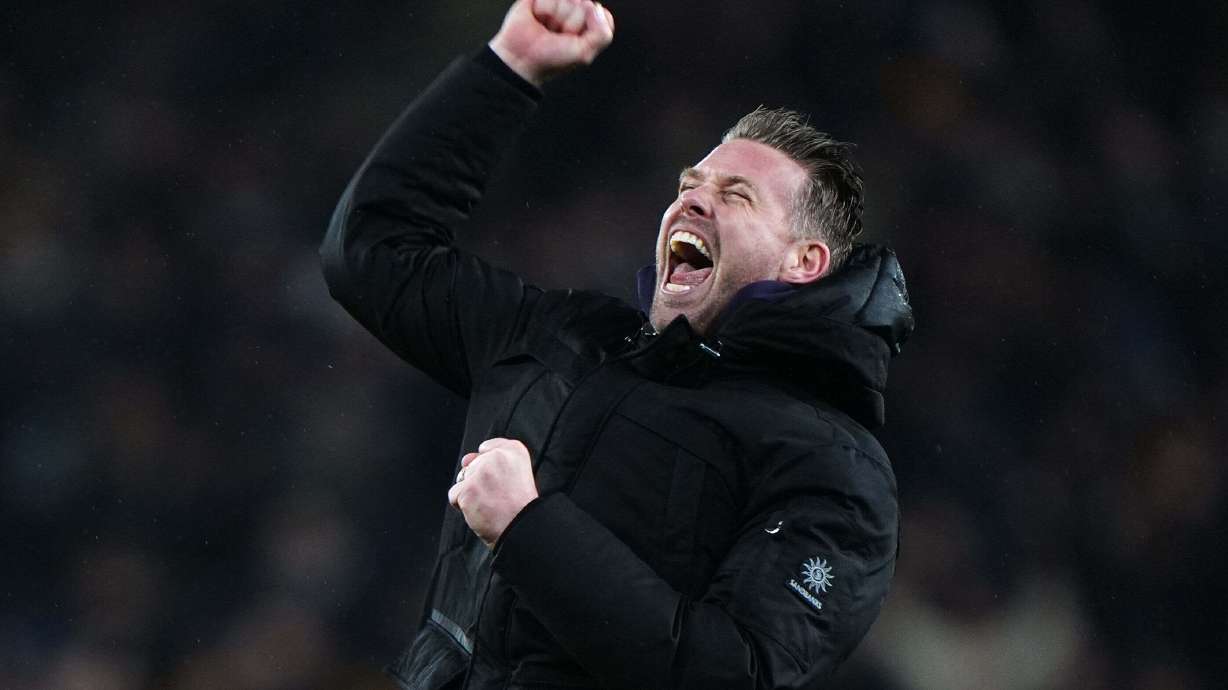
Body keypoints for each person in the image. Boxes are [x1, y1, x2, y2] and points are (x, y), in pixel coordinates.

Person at [321, 0, 914, 687]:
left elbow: (736, 674)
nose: (691, 201)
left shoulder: (833, 467)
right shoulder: (562, 340)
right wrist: (508, 68)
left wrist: (530, 529)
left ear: (804, 262)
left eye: (736, 195)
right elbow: (372, 253)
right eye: (689, 185)